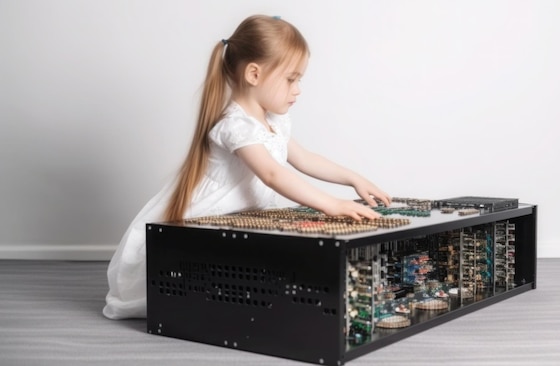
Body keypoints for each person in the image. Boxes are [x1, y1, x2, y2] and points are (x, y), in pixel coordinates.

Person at [103, 14, 391, 320]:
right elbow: (272, 174)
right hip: (210, 220)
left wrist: (353, 179)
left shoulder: (273, 121)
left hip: (242, 223)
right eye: (291, 79)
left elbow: (304, 159)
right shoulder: (235, 125)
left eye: (299, 80)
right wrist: (331, 204)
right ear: (254, 74)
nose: (298, 89)